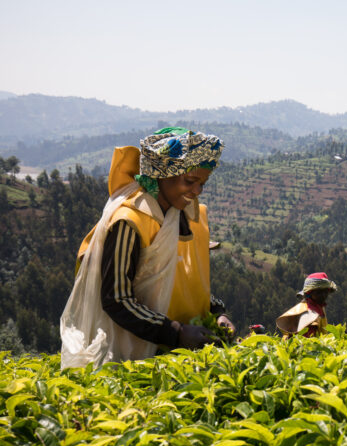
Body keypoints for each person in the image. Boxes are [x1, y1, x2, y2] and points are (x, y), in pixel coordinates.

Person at [61, 127, 233, 369]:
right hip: (137, 359)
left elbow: (186, 280)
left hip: (185, 357)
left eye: (202, 183)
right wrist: (176, 333)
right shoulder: (129, 221)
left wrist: (218, 313)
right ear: (162, 173)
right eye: (190, 181)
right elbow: (117, 299)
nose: (197, 191)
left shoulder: (190, 215)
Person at [276, 272, 337, 337]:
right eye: (318, 292)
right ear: (309, 293)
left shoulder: (319, 307)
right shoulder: (308, 313)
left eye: (325, 292)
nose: (323, 295)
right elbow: (306, 339)